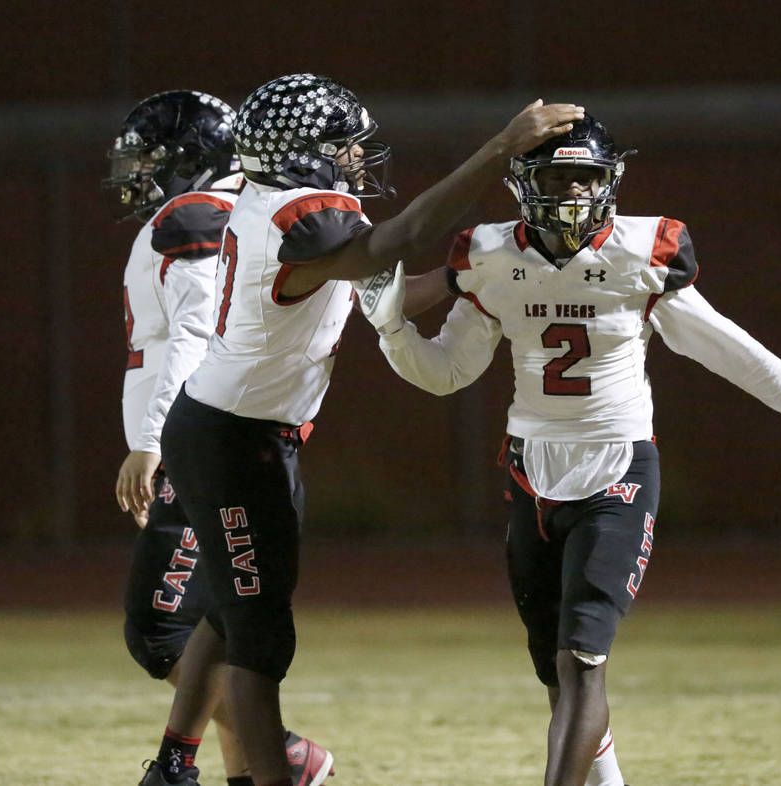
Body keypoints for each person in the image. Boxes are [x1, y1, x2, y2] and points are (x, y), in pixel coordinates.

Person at [362, 113, 781, 786]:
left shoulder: (639, 253)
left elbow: (722, 344)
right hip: (530, 473)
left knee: (580, 658)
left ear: (609, 182)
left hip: (616, 469)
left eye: (584, 177)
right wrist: (393, 329)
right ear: (522, 186)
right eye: (557, 176)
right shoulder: (490, 256)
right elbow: (447, 372)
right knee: (554, 666)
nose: (571, 192)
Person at [148, 72, 584, 786]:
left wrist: (476, 269)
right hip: (231, 440)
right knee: (260, 638)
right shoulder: (302, 217)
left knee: (236, 615)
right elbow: (401, 237)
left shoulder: (279, 207)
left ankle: (171, 768)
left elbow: (381, 291)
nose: (355, 156)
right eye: (342, 144)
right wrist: (501, 148)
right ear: (303, 151)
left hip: (242, 432)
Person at [102, 89, 334, 786]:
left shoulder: (196, 215)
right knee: (224, 618)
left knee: (165, 627)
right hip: (220, 440)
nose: (134, 174)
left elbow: (196, 335)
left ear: (189, 159)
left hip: (208, 444)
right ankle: (244, 766)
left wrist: (152, 439)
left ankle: (270, 756)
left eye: (147, 159)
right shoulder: (203, 215)